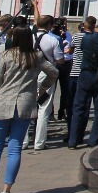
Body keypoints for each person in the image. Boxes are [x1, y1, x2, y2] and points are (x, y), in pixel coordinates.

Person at [0, 26, 58, 193]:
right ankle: (6, 192)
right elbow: (54, 72)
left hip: (3, 102)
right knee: (15, 149)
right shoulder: (36, 56)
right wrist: (41, 89)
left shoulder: (7, 55)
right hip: (24, 104)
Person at [68, 17, 98, 149]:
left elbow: (82, 49)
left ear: (96, 26)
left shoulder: (86, 39)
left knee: (79, 107)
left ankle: (73, 140)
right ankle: (93, 140)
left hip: (85, 74)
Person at [31, 15, 62, 151]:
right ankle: (39, 143)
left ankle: (23, 141)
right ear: (49, 25)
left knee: (27, 107)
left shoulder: (29, 37)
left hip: (29, 73)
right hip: (46, 75)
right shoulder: (52, 40)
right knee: (44, 108)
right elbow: (60, 59)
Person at [56, 19, 75, 122]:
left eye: (65, 25)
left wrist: (71, 61)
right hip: (56, 63)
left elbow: (71, 51)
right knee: (51, 89)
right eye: (62, 25)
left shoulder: (69, 35)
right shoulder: (53, 35)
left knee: (66, 90)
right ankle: (50, 112)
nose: (64, 27)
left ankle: (62, 111)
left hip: (66, 63)